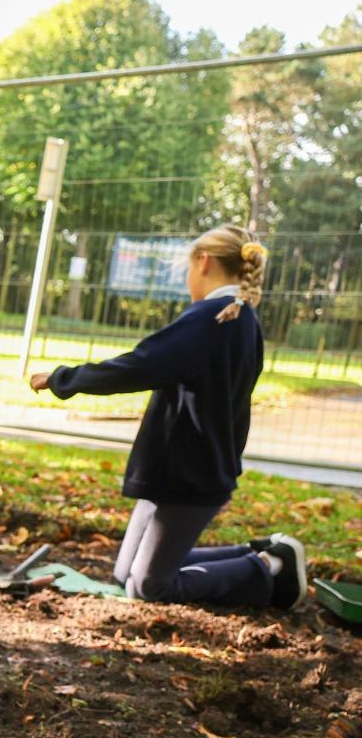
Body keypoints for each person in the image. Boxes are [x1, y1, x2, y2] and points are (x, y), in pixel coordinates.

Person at [30, 226, 305, 610]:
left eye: (188, 268)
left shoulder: (211, 319)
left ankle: (268, 567)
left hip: (189, 476)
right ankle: (259, 553)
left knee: (148, 588)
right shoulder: (241, 319)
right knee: (125, 577)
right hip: (183, 470)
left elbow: (140, 366)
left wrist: (64, 379)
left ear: (204, 262)